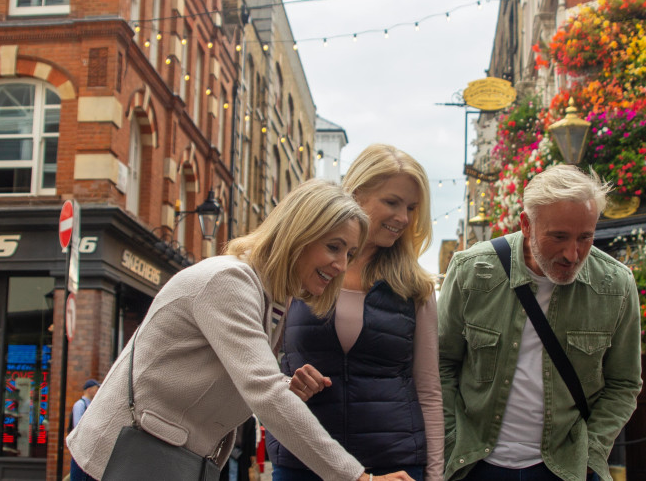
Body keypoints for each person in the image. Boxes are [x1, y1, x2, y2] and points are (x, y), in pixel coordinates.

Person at [66, 179, 415, 481]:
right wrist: (357, 476)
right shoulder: (228, 281)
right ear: (298, 234)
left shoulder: (271, 297)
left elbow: (245, 377)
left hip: (164, 459)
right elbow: (264, 393)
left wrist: (284, 384)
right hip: (120, 460)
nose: (341, 265)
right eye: (333, 246)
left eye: (350, 253)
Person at [438, 165, 642, 481]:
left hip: (566, 468)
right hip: (474, 463)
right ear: (527, 225)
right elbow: (440, 363)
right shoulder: (471, 271)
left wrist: (591, 454)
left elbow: (624, 384)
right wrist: (452, 441)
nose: (573, 254)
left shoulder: (615, 285)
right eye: (559, 237)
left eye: (585, 237)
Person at [267, 145, 441, 481]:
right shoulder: (297, 272)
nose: (403, 218)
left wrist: (435, 477)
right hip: (303, 461)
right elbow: (257, 368)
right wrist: (291, 384)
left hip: (396, 464)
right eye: (392, 202)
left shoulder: (415, 287)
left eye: (411, 208)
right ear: (357, 194)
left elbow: (429, 389)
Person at [69, 379, 100, 481]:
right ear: (89, 390)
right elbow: (78, 426)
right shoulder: (80, 404)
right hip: (81, 448)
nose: (98, 391)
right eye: (96, 389)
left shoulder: (92, 405)